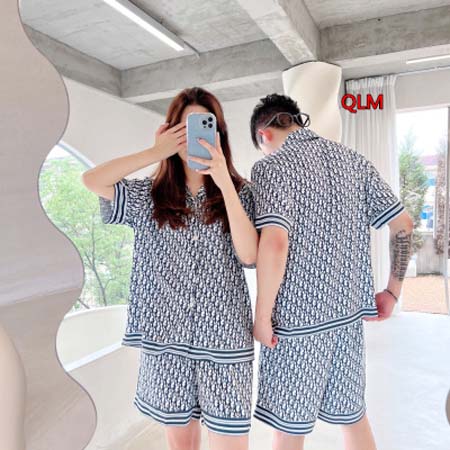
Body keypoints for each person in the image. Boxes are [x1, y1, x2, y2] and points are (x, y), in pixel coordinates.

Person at [82, 87, 258, 450]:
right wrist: (153, 153)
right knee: (181, 445)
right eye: (184, 128)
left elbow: (250, 256)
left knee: (231, 442)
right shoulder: (148, 195)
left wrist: (224, 183)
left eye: (205, 127)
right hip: (165, 340)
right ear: (169, 132)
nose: (194, 138)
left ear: (220, 135)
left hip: (224, 337)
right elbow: (93, 180)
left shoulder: (240, 193)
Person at [249, 93, 414, 450]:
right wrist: (392, 291)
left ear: (264, 134)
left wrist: (261, 318)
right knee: (353, 419)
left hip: (295, 326)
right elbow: (403, 223)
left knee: (289, 429)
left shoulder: (272, 167)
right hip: (346, 321)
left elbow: (275, 243)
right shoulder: (353, 161)